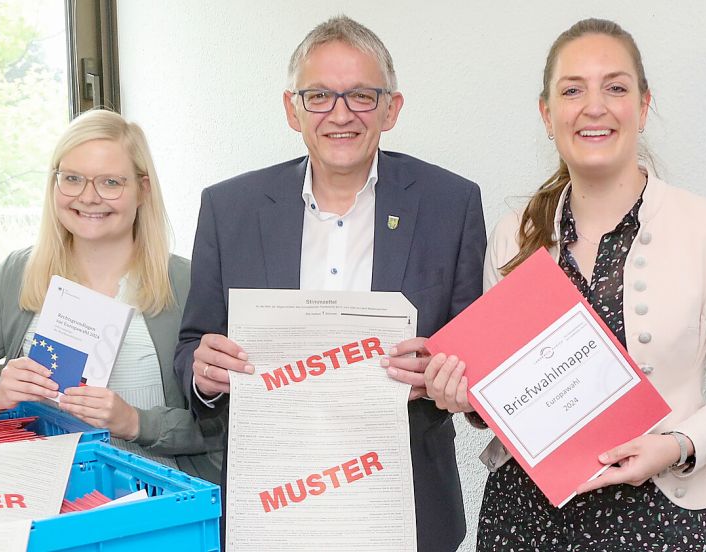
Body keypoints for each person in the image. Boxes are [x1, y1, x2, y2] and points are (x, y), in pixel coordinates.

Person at [425, 18, 706, 551]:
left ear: (642, 106)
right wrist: (462, 394)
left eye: (615, 87)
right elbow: (506, 393)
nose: (594, 106)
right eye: (572, 90)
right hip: (523, 521)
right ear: (548, 115)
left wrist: (677, 444)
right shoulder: (513, 234)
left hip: (663, 518)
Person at [174, 15, 485, 551]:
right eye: (319, 96)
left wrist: (443, 371)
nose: (341, 115)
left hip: (407, 502)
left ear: (392, 109)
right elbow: (189, 349)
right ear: (292, 109)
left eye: (362, 96)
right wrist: (203, 374)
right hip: (271, 499)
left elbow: (477, 356)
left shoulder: (450, 204)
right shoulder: (230, 209)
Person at [0, 109, 223, 483]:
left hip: (152, 499)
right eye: (72, 179)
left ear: (143, 189)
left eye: (110, 182)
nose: (88, 197)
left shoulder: (185, 281)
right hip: (41, 491)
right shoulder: (20, 272)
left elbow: (221, 428)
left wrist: (135, 422)